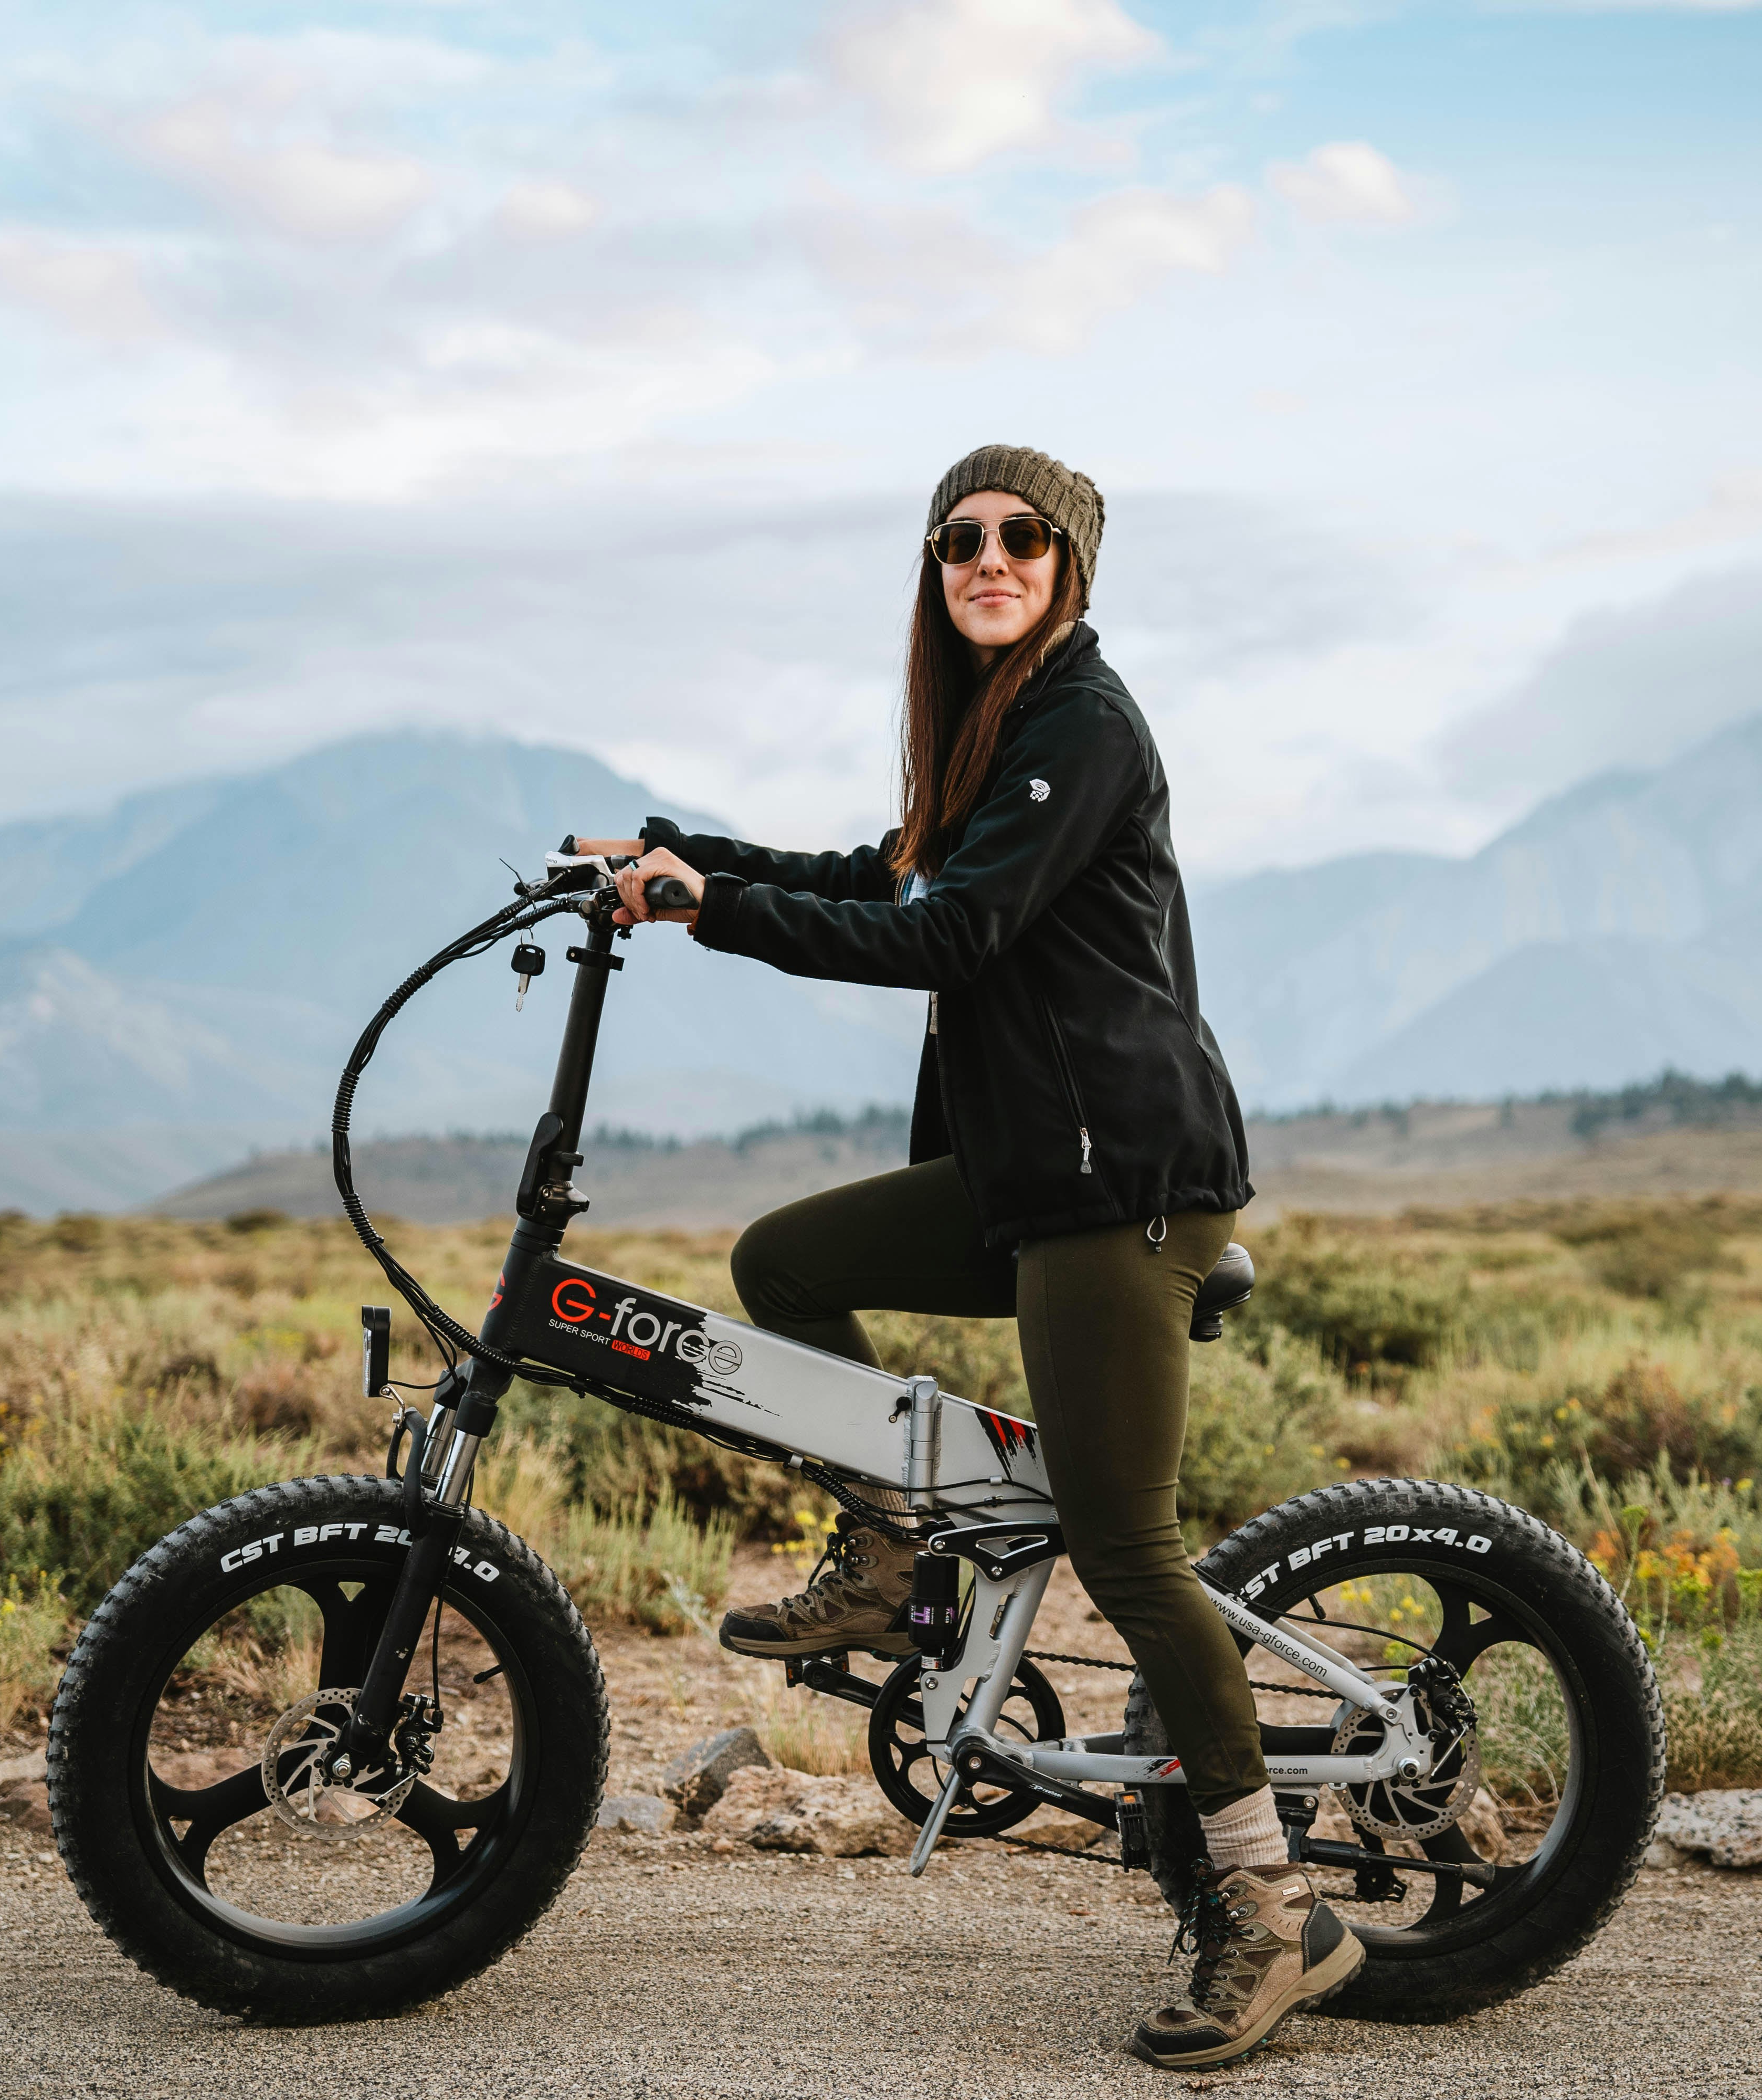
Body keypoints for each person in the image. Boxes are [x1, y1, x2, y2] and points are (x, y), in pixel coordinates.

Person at [574, 443, 1360, 2070]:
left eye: (1021, 540)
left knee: (1125, 1547)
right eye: (958, 541)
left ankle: (1273, 1913)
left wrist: (709, 909)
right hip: (1023, 1174)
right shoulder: (991, 734)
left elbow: (946, 933)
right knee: (786, 1264)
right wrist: (682, 862)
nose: (987, 561)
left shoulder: (1084, 722)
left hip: (1118, 1188)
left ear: (1071, 563)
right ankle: (898, 1554)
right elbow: (884, 875)